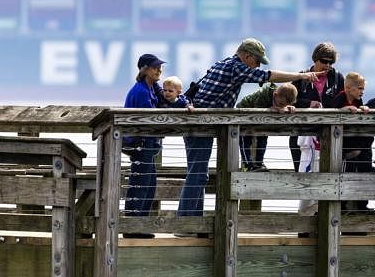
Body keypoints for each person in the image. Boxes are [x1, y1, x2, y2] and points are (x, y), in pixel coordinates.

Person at [177, 38, 319, 223]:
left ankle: (193, 221)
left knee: (198, 173)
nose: (257, 65)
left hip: (199, 125)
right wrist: (300, 76)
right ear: (246, 56)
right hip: (200, 125)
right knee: (197, 174)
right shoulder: (236, 67)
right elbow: (268, 76)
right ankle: (185, 223)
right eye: (256, 60)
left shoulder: (223, 63)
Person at [122, 53, 167, 238]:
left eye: (160, 67)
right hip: (141, 144)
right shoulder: (141, 91)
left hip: (148, 145)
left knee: (149, 184)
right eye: (155, 67)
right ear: (145, 69)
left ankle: (140, 225)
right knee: (140, 184)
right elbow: (149, 119)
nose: (159, 70)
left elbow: (164, 100)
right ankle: (133, 227)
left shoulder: (151, 87)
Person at [289, 42, 345, 171]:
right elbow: (289, 101)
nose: (327, 66)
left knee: (327, 175)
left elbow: (345, 100)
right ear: (315, 59)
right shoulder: (301, 77)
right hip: (301, 134)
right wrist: (307, 104)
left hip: (329, 135)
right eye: (324, 61)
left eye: (331, 63)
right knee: (300, 174)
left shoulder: (338, 78)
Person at [333, 72, 373, 215]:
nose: (362, 92)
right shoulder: (340, 98)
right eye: (360, 88)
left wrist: (364, 109)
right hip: (342, 144)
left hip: (355, 141)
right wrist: (342, 111)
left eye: (363, 89)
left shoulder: (358, 101)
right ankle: (342, 205)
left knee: (363, 172)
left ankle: (362, 205)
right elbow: (331, 111)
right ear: (348, 88)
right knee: (344, 174)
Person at [236, 82, 297, 171]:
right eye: (280, 104)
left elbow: (283, 105)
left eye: (285, 105)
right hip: (245, 114)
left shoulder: (281, 99)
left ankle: (258, 163)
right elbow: (257, 107)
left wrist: (289, 107)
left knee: (263, 137)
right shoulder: (263, 95)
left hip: (262, 121)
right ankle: (247, 164)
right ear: (275, 95)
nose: (281, 107)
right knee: (245, 139)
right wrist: (270, 108)